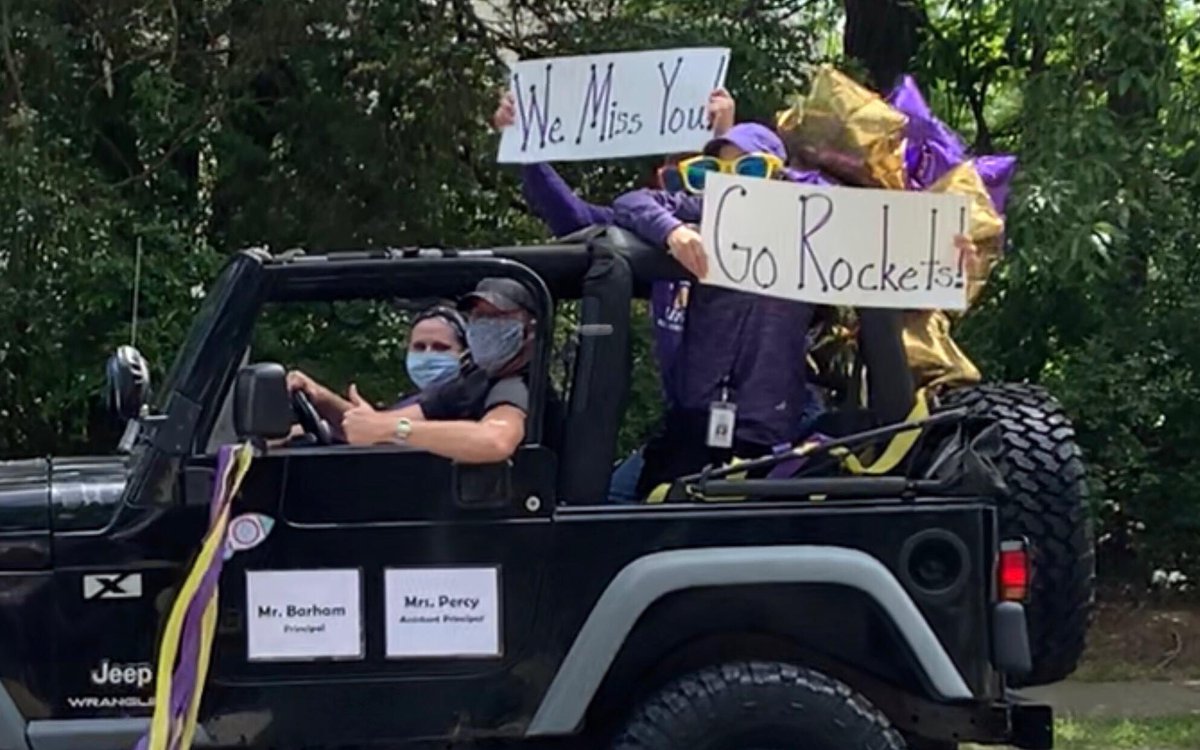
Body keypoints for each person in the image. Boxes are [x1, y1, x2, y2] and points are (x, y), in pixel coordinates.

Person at [339, 277, 540, 464]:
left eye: (497, 316)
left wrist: (394, 430)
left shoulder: (518, 385)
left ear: (530, 329)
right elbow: (379, 423)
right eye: (478, 316)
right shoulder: (476, 379)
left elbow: (496, 441)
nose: (485, 326)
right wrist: (317, 393)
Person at [285, 304, 469, 437]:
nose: (428, 356)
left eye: (440, 348)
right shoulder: (415, 403)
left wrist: (320, 396)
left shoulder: (464, 399)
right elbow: (374, 425)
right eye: (419, 347)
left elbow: (377, 429)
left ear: (465, 354)